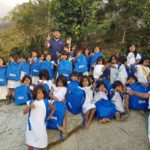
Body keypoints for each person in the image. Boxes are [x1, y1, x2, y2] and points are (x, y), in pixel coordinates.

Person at [24, 85, 55, 150]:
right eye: (38, 92)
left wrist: (50, 116)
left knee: (41, 144)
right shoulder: (31, 102)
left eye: (42, 93)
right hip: (31, 127)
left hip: (41, 126)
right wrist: (29, 107)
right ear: (35, 93)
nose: (40, 94)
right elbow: (24, 112)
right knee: (30, 143)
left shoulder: (46, 101)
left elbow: (53, 108)